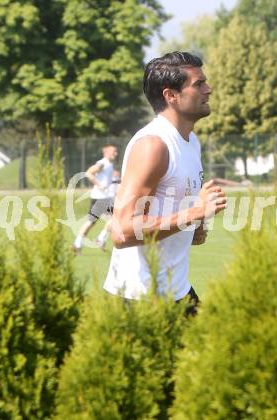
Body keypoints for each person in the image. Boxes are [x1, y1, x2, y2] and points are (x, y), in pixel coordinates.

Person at [103, 52, 227, 315]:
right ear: (171, 95)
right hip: (140, 299)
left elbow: (171, 214)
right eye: (199, 84)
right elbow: (122, 231)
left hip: (178, 290)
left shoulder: (191, 142)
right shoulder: (153, 145)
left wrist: (195, 225)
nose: (209, 88)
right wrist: (196, 212)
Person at [73, 144, 118, 254]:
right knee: (93, 222)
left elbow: (106, 179)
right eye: (114, 151)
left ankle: (95, 239)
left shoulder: (109, 164)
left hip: (105, 198)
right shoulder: (102, 163)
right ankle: (79, 243)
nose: (116, 154)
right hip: (100, 198)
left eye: (116, 152)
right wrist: (99, 185)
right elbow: (88, 173)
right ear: (106, 153)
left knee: (114, 219)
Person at [94, 169, 121, 251]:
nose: (117, 174)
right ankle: (100, 238)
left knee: (113, 223)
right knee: (113, 221)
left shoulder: (114, 180)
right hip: (111, 202)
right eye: (115, 173)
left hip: (113, 201)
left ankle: (102, 240)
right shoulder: (112, 180)